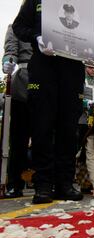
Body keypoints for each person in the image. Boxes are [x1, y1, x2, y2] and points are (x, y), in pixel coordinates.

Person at [13, 0, 85, 204]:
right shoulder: (35, 1)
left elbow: (83, 31)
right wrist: (37, 37)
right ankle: (43, 184)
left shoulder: (81, 4)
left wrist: (86, 50)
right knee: (42, 127)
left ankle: (65, 183)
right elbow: (19, 26)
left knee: (68, 129)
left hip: (72, 69)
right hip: (44, 65)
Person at [2, 24, 33, 198]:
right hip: (24, 81)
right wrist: (8, 60)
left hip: (49, 81)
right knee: (19, 138)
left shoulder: (51, 24)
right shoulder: (17, 26)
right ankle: (15, 183)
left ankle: (45, 180)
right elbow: (11, 48)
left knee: (46, 136)